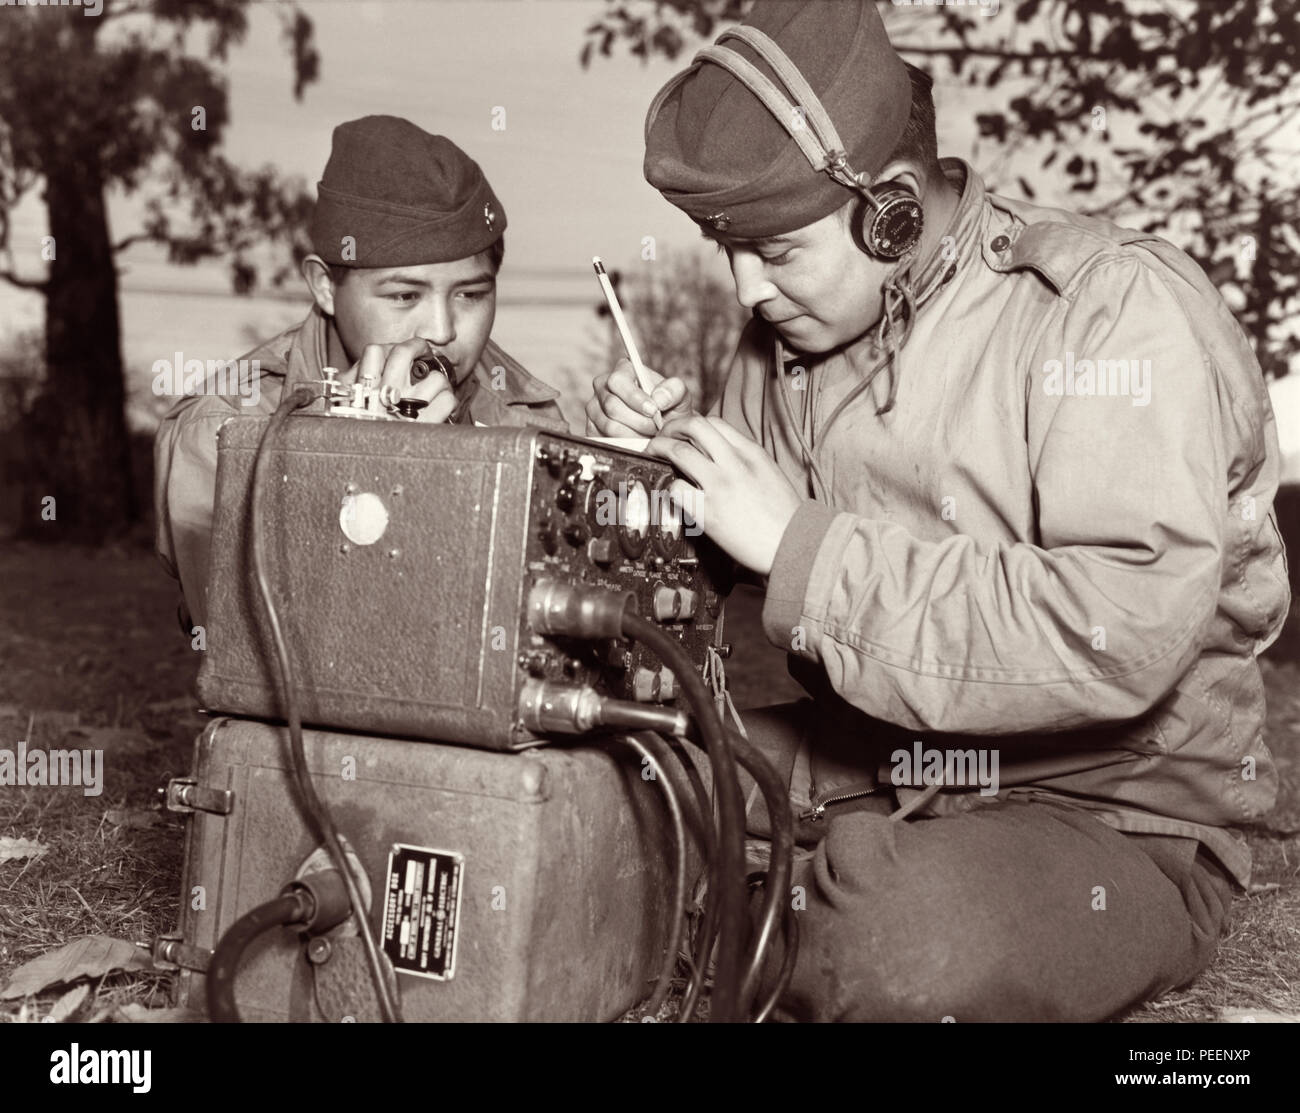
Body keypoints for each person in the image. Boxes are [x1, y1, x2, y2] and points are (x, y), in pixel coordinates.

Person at [588, 0, 1291, 1021]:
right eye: (720, 247)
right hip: (873, 771)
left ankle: (795, 904)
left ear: (893, 208)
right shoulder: (787, 343)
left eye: (774, 252)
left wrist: (802, 549)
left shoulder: (1107, 316)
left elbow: (1120, 631)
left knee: (901, 950)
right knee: (606, 780)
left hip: (1109, 816)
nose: (743, 291)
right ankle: (796, 891)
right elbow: (732, 567)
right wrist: (664, 482)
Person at [155, 116, 567, 633]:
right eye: (404, 296)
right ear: (326, 287)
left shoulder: (522, 413)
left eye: (471, 295)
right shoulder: (224, 428)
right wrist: (337, 465)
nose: (440, 330)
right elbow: (237, 640)